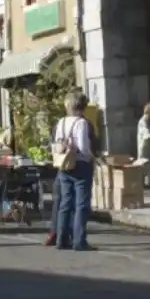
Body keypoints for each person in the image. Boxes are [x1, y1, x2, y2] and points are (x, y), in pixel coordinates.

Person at [52, 93, 97, 251]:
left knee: (65, 202)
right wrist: (91, 158)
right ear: (83, 107)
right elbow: (84, 147)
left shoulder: (61, 122)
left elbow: (56, 143)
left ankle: (61, 239)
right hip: (80, 165)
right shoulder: (81, 123)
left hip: (64, 165)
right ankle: (79, 240)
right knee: (81, 204)